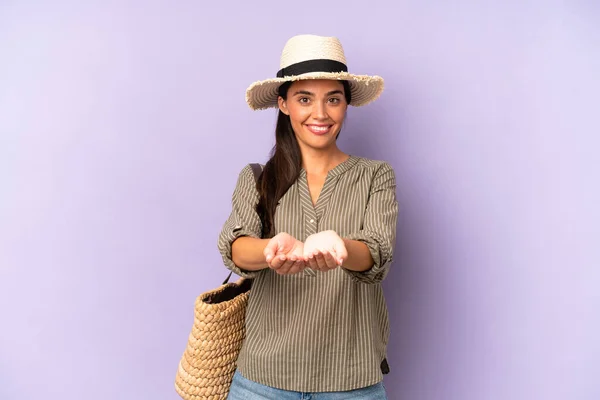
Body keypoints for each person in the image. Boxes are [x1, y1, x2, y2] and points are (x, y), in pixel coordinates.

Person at [218, 34, 398, 399]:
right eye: (305, 99)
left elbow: (378, 253)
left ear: (346, 104)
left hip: (351, 381)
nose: (321, 114)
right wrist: (272, 249)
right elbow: (236, 249)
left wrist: (341, 247)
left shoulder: (375, 176)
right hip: (262, 381)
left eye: (333, 99)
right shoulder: (257, 177)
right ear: (283, 104)